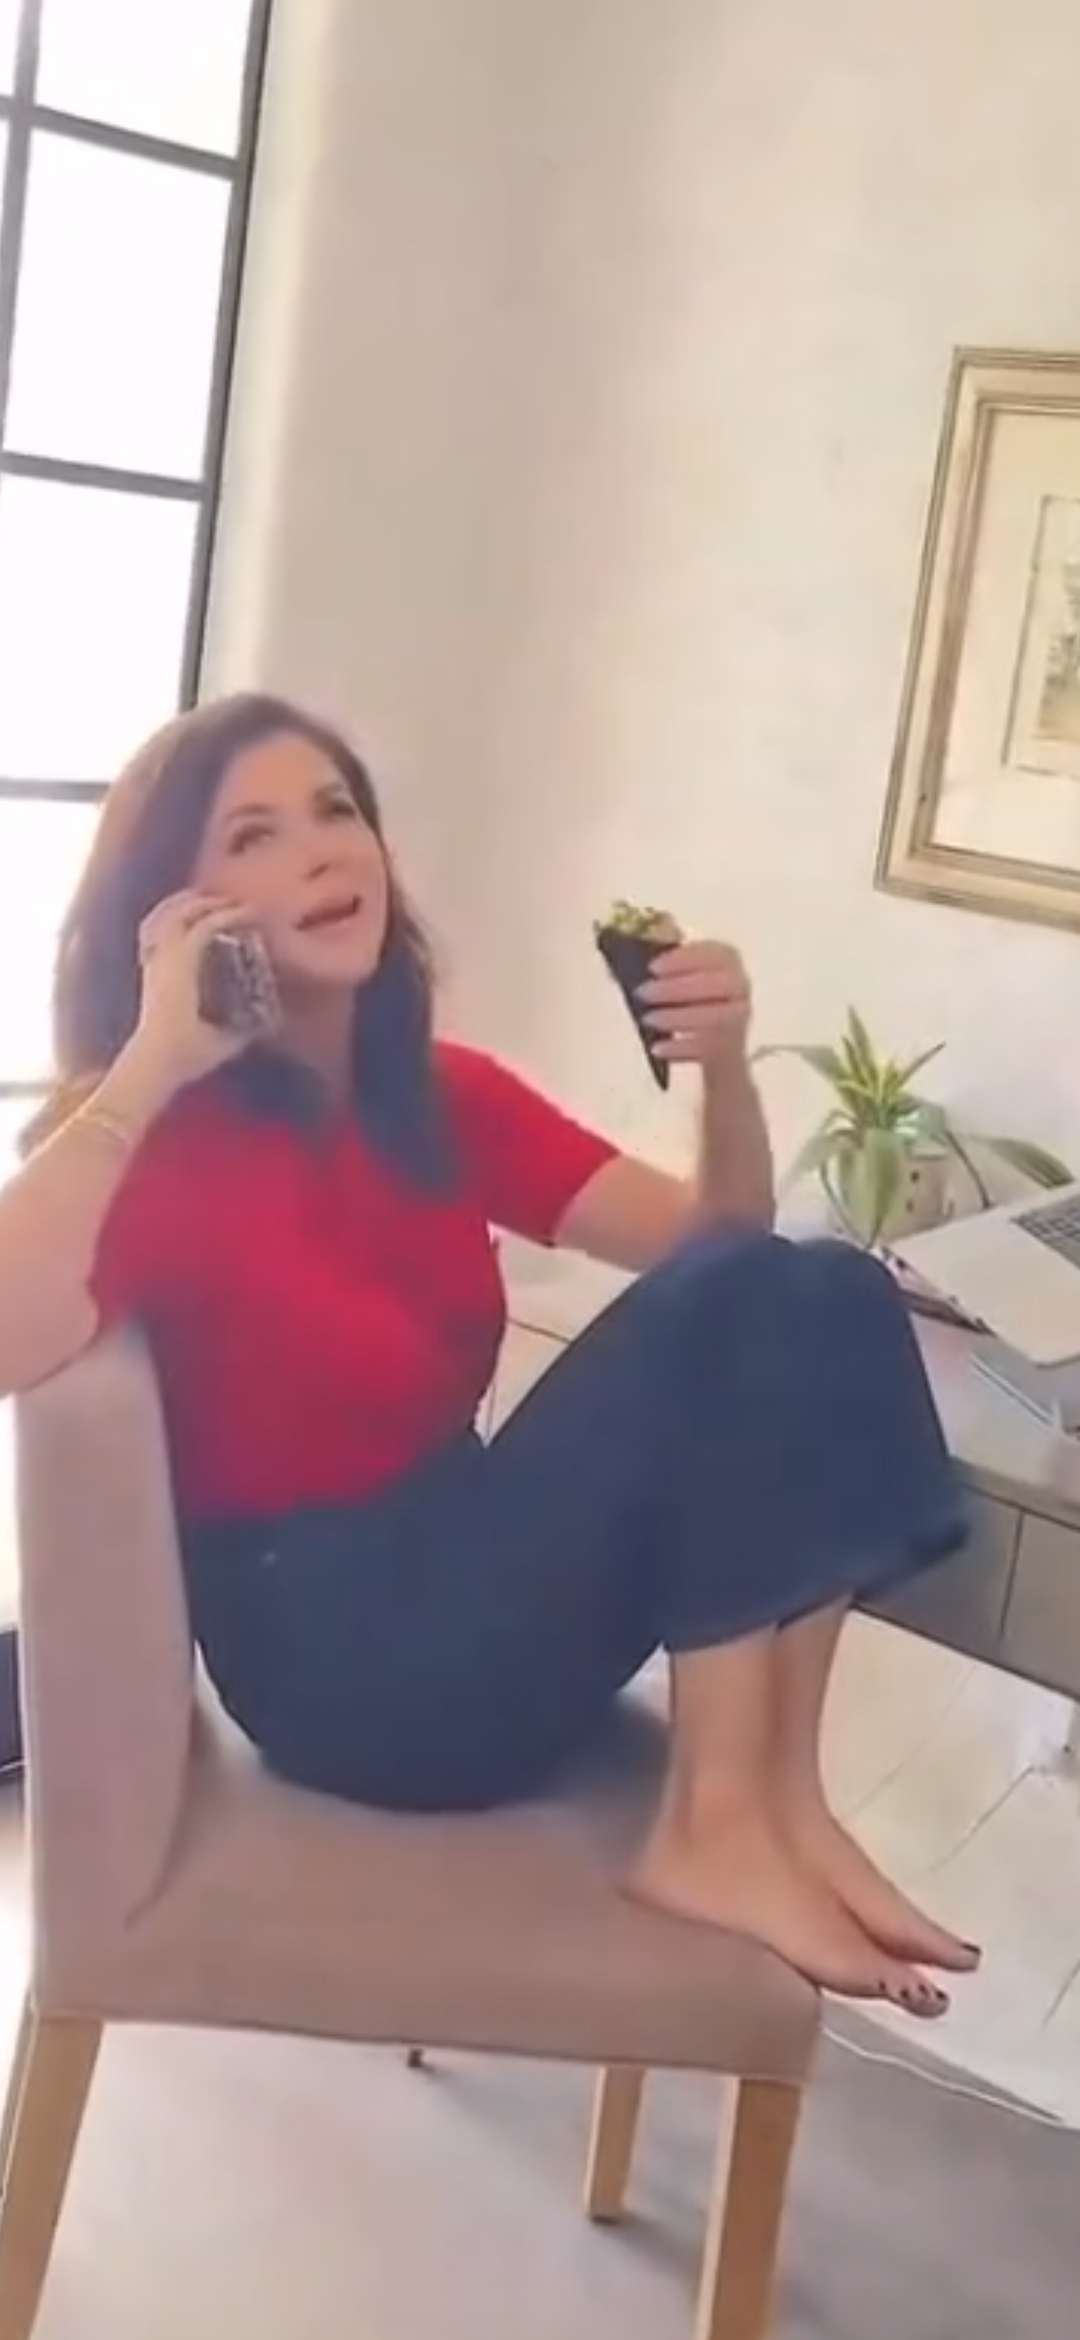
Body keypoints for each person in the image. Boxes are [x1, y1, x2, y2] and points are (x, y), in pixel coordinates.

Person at [0, 691, 975, 2019]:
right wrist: (152, 1057)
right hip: (347, 1667)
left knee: (833, 1284)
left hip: (475, 1571)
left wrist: (726, 1070)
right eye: (253, 837)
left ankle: (776, 1806)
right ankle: (717, 1826)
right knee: (762, 1296)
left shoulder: (439, 1093)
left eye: (336, 812)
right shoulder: (158, 1143)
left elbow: (721, 1250)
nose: (322, 852)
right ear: (176, 912)